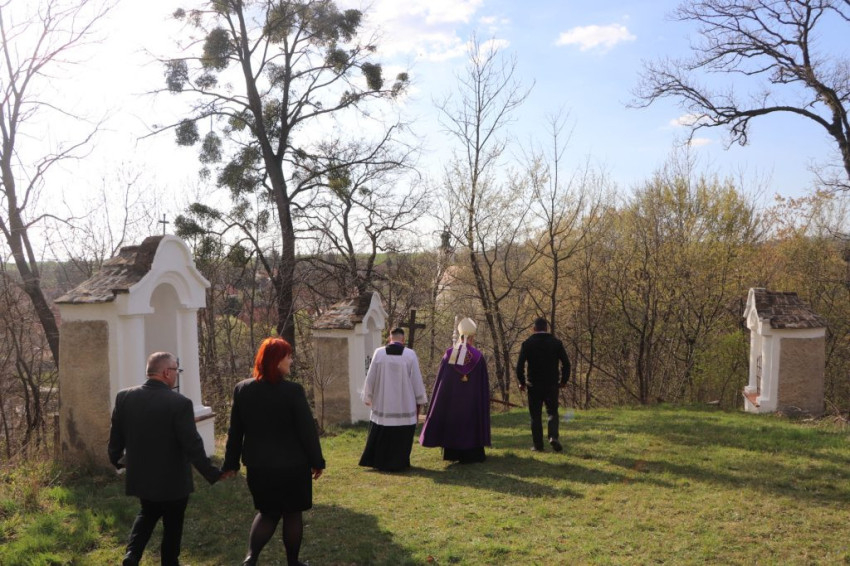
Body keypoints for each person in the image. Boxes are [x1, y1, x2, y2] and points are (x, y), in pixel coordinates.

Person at [107, 351, 223, 566]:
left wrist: (116, 458)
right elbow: (192, 444)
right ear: (166, 372)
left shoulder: (124, 397)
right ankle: (169, 562)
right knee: (173, 521)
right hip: (173, 476)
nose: (177, 374)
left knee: (148, 512)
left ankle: (132, 555)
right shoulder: (179, 403)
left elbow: (116, 433)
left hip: (141, 472)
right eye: (176, 370)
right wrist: (211, 472)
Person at [223, 337, 325, 566]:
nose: (291, 360)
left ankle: (251, 558)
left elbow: (235, 432)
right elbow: (307, 431)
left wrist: (231, 463)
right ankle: (293, 562)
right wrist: (317, 461)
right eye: (288, 356)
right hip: (292, 466)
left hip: (259, 466)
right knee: (292, 513)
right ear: (277, 360)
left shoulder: (242, 389)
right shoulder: (293, 391)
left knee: (268, 512)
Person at [419, 317, 491, 463]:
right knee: (470, 420)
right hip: (471, 400)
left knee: (453, 420)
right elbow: (482, 383)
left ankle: (452, 453)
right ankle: (472, 454)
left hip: (452, 400)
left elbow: (442, 381)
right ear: (472, 337)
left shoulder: (450, 355)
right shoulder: (478, 357)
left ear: (460, 336)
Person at [359, 327, 428, 472]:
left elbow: (371, 377)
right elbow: (416, 379)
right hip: (404, 403)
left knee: (382, 432)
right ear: (403, 339)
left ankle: (380, 461)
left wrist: (368, 396)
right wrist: (420, 398)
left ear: (390, 338)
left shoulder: (379, 353)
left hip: (383, 402)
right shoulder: (410, 354)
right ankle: (399, 462)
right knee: (401, 435)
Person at [515, 317, 571, 452]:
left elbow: (519, 366)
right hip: (551, 384)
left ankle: (538, 445)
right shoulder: (556, 343)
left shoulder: (527, 344)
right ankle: (553, 437)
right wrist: (563, 381)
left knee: (535, 415)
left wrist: (522, 382)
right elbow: (566, 364)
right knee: (552, 412)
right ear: (546, 328)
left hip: (533, 385)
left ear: (534, 329)